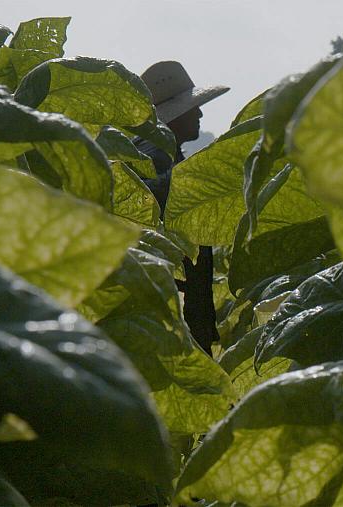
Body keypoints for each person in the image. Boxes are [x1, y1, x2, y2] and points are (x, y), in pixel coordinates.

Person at [136, 61, 229, 356]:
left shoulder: (166, 150)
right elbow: (141, 201)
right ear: (172, 116)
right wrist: (190, 176)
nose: (200, 112)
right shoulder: (154, 152)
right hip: (173, 306)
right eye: (193, 107)